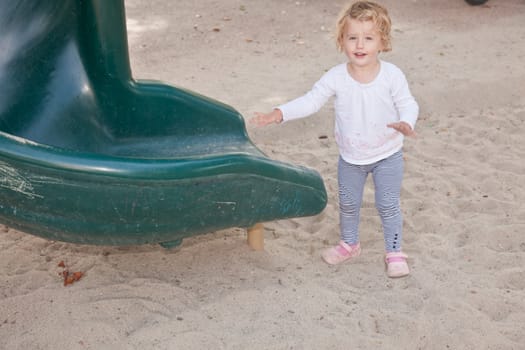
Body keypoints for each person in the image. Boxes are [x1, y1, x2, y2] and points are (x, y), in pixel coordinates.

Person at [250, 1, 419, 278]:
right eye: (353, 37)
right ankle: (350, 244)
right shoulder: (336, 77)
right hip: (351, 158)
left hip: (388, 153)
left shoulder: (392, 75)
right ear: (342, 41)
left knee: (387, 204)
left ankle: (395, 251)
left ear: (382, 41)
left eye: (368, 37)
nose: (360, 45)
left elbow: (408, 104)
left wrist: (407, 122)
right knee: (348, 203)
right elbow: (311, 101)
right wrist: (279, 113)